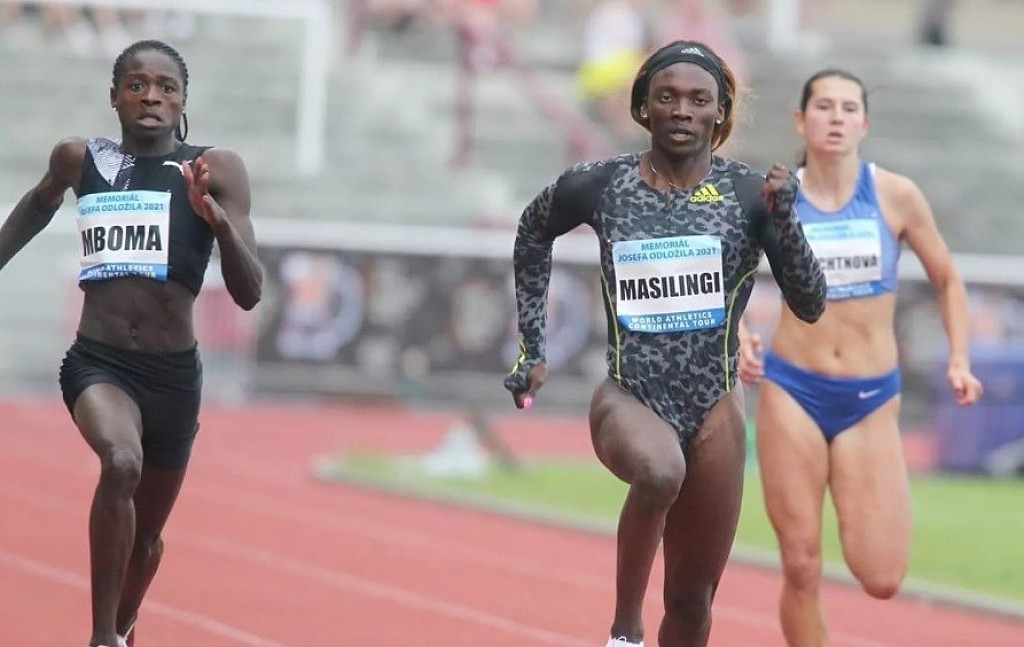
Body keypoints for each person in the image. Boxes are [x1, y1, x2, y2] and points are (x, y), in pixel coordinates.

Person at [504, 40, 827, 647]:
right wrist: (533, 347)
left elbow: (810, 304)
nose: (682, 110)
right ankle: (625, 632)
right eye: (667, 97)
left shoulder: (747, 194)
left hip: (714, 408)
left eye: (698, 100)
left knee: (692, 602)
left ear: (719, 114)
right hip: (629, 396)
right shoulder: (601, 184)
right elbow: (532, 232)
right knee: (657, 471)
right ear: (642, 108)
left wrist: (786, 220)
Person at [0, 40, 262, 647]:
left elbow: (250, 293)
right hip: (99, 363)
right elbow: (35, 207)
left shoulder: (215, 170)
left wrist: (219, 224)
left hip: (174, 378)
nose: (151, 97)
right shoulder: (80, 159)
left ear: (183, 101)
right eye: (137, 85)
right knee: (121, 463)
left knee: (146, 541)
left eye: (166, 88)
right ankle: (101, 638)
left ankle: (121, 627)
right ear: (114, 96)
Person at [736, 68, 983, 647]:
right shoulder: (773, 197)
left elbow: (948, 279)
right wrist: (741, 332)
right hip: (793, 388)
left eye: (849, 108)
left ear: (864, 124)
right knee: (801, 563)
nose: (837, 118)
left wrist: (959, 357)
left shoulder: (894, 194)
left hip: (869, 398)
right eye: (824, 106)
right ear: (801, 120)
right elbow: (728, 277)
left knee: (882, 576)